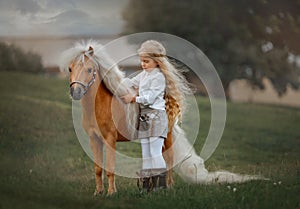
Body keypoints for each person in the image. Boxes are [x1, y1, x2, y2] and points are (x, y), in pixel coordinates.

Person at [121, 40, 191, 192]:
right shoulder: (145, 74)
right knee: (146, 153)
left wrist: (134, 99)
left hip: (157, 117)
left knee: (155, 152)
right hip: (145, 117)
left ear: (157, 61)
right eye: (141, 61)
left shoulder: (158, 77)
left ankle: (159, 185)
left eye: (146, 61)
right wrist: (117, 80)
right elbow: (131, 82)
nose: (143, 64)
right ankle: (147, 186)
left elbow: (151, 97)